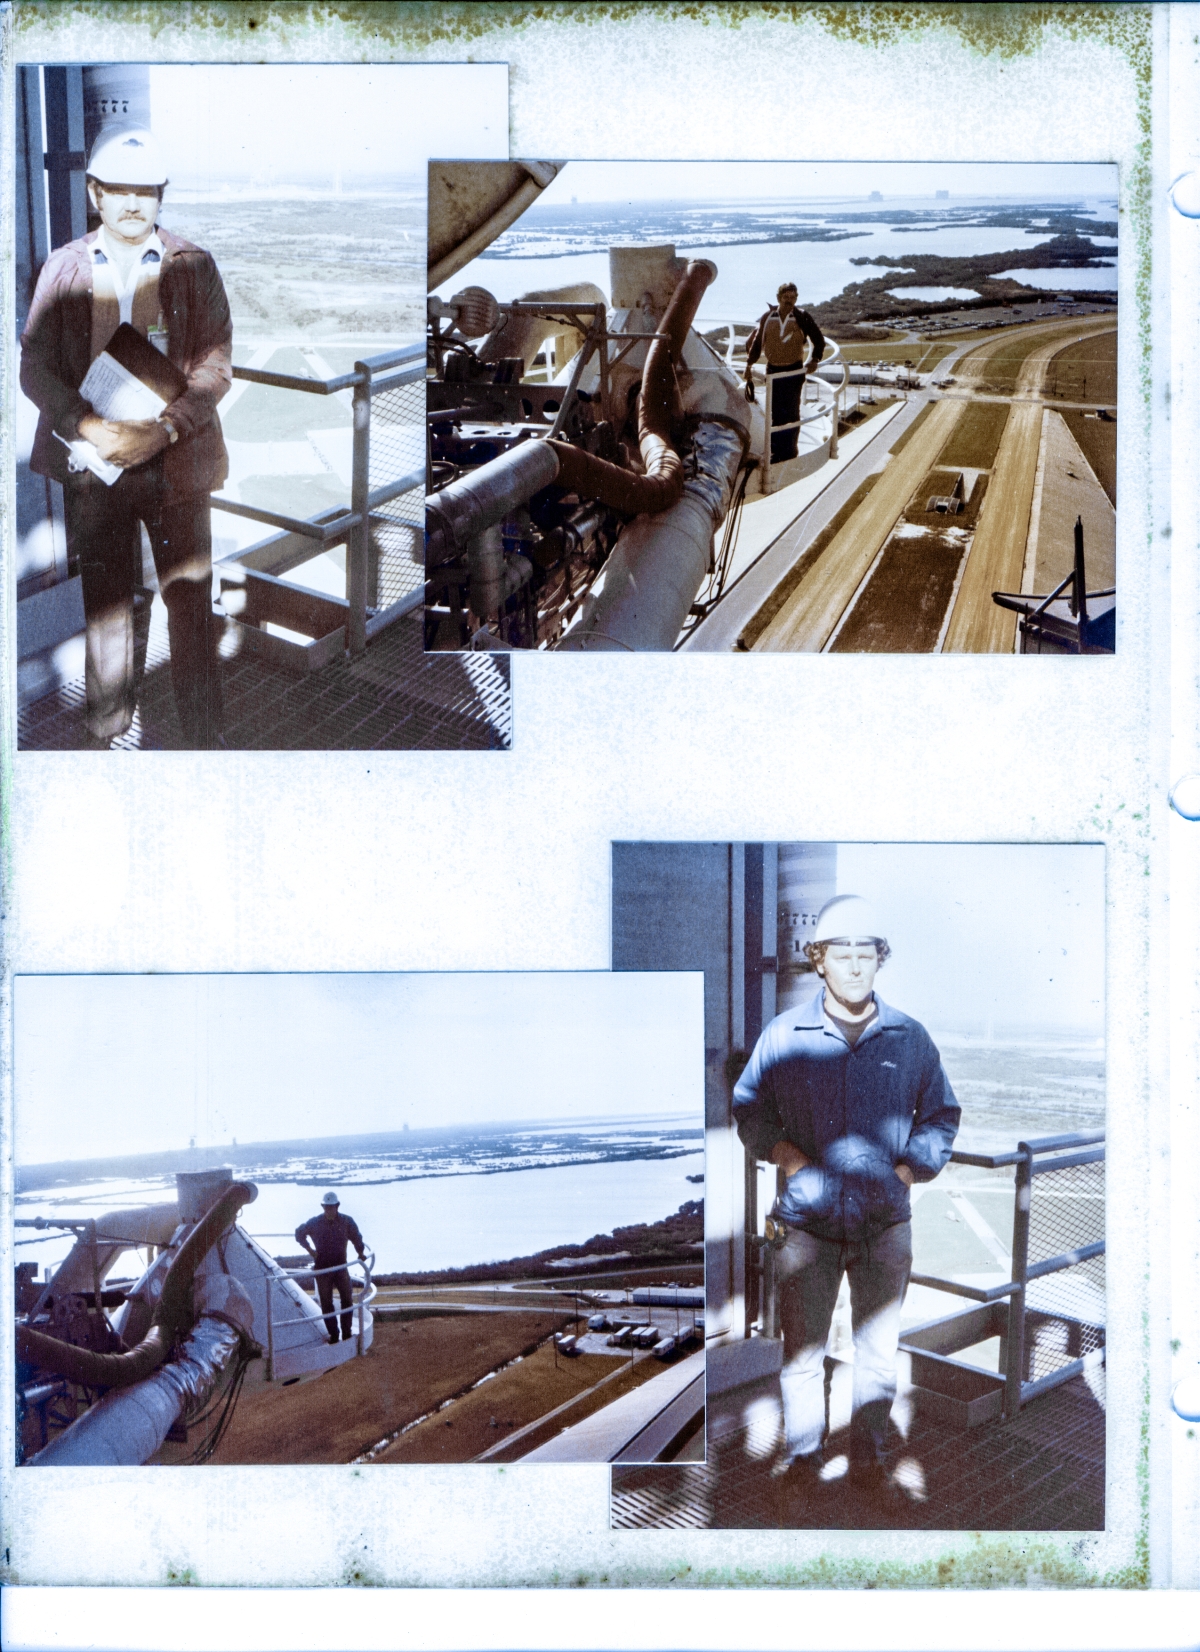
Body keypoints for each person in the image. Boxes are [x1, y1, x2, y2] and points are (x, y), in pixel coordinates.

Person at [732, 894, 960, 1500]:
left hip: (884, 1224)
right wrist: (787, 1157)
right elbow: (750, 1109)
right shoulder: (784, 1035)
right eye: (842, 954)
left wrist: (908, 1173)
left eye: (867, 954)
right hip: (805, 1225)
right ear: (819, 961)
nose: (855, 966)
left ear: (879, 961)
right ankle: (804, 1462)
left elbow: (940, 1116)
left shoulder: (909, 1038)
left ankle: (869, 1462)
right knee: (802, 1355)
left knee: (877, 1357)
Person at [20, 126, 233, 749]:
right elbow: (35, 365)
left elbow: (215, 367)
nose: (133, 203)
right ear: (95, 194)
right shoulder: (64, 268)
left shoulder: (193, 266)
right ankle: (105, 729)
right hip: (96, 466)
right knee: (106, 610)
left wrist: (162, 429)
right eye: (119, 190)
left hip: (176, 466)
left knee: (190, 610)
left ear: (161, 197)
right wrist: (86, 426)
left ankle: (201, 738)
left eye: (147, 191)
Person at [746, 282, 825, 463]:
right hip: (773, 370)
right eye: (786, 297)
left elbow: (818, 339)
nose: (789, 301)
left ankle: (789, 451)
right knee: (775, 411)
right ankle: (776, 449)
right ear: (779, 298)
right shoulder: (768, 317)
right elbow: (758, 343)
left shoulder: (801, 316)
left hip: (793, 371)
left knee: (790, 412)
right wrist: (749, 365)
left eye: (793, 297)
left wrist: (814, 359)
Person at [295, 1191, 368, 1345]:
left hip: (341, 1267)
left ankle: (347, 1333)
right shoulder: (314, 1222)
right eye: (326, 1207)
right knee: (327, 1304)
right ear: (323, 1206)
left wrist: (360, 1252)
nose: (329, 1210)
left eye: (331, 1207)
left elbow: (356, 1237)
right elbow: (299, 1233)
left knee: (347, 1300)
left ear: (337, 1206)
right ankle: (334, 1335)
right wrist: (310, 1251)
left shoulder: (346, 1221)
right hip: (323, 1269)